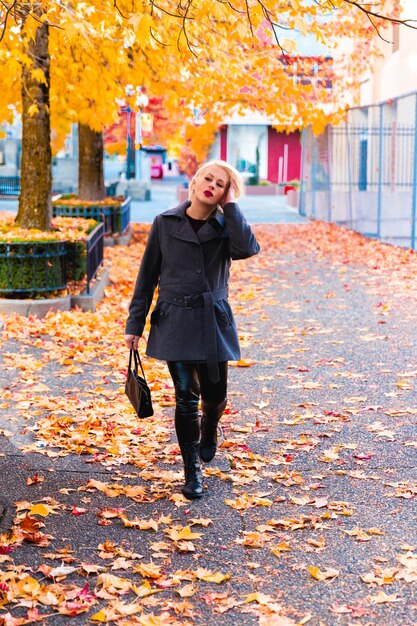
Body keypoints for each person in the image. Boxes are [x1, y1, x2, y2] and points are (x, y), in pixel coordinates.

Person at [124, 160, 260, 499]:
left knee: (214, 397)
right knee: (186, 397)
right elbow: (146, 277)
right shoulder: (164, 223)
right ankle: (191, 470)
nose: (212, 185)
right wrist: (135, 324)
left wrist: (230, 206)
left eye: (221, 184)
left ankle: (209, 429)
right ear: (195, 181)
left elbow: (247, 249)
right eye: (208, 178)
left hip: (213, 319)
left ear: (226, 194)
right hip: (175, 319)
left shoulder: (227, 226)